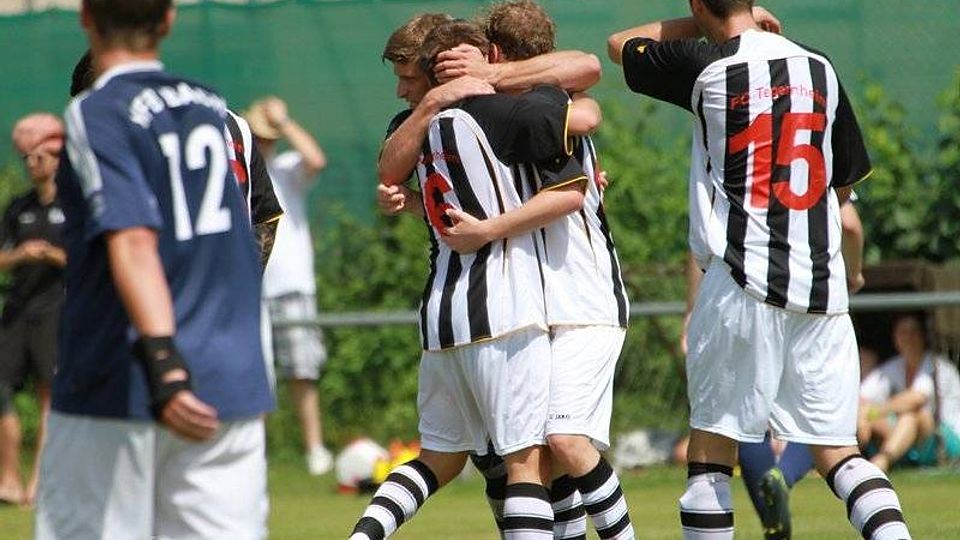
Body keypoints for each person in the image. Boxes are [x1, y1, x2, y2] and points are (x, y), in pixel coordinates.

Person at [609, 1, 912, 538]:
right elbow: (843, 200)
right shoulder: (819, 67)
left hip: (741, 282)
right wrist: (853, 273)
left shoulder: (706, 65)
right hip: (821, 290)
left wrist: (704, 24)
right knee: (840, 454)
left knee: (710, 455)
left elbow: (619, 45)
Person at [35, 1, 274, 538]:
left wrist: (164, 362)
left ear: (86, 18)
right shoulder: (211, 107)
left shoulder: (96, 110)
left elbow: (134, 240)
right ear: (168, 19)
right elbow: (249, 227)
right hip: (228, 376)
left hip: (128, 375)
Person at [350, 19, 597, 540]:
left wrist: (413, 201)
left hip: (444, 313)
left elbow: (398, 177)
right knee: (528, 463)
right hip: (505, 309)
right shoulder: (493, 113)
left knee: (442, 458)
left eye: (408, 77)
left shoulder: (429, 125)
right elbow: (586, 116)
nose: (401, 91)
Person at [436, 2, 633, 539]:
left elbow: (587, 92)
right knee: (541, 454)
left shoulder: (546, 103)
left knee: (566, 442)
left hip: (587, 301)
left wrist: (486, 230)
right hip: (543, 304)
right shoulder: (522, 111)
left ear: (496, 52)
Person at [245, 96, 331, 474]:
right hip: (251, 290)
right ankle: (254, 453)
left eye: (269, 137)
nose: (264, 143)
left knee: (303, 371)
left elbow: (316, 160)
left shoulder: (286, 169)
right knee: (255, 374)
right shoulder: (240, 177)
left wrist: (284, 123)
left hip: (292, 284)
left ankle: (314, 449)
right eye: (258, 136)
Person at [0, 113, 67, 507]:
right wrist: (21, 255)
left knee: (49, 396)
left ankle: (40, 481)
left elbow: (89, 261)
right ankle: (8, 478)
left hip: (55, 310)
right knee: (3, 391)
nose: (33, 162)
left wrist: (53, 255)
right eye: (27, 157)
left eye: (41, 155)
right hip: (17, 311)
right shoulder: (18, 206)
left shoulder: (73, 206)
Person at [859, 313, 960, 472]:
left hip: (947, 438)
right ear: (895, 338)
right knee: (868, 416)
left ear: (923, 336)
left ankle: (881, 462)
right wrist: (864, 415)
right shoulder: (894, 366)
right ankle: (850, 461)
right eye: (903, 332)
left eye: (913, 332)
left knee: (912, 415)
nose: (908, 338)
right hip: (910, 437)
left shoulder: (939, 365)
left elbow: (915, 399)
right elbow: (862, 396)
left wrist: (874, 411)